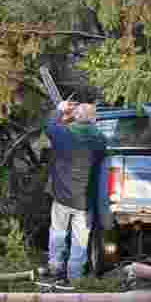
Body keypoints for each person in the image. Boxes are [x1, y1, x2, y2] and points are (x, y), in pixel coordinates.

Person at [46, 100, 106, 280]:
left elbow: (49, 126)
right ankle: (75, 277)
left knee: (58, 231)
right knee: (80, 240)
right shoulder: (99, 140)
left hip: (62, 196)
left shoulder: (64, 134)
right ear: (94, 120)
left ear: (76, 117)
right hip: (84, 200)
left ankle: (55, 266)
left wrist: (59, 110)